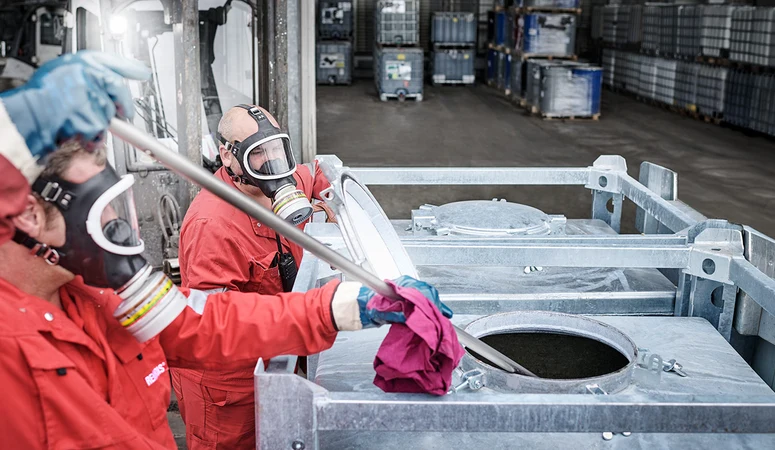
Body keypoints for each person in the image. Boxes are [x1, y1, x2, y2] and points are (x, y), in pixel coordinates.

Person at [0, 52, 453, 448]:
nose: (118, 229)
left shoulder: (103, 296)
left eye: (120, 205)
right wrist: (11, 133)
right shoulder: (11, 352)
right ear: (29, 216)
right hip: (225, 396)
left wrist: (341, 308)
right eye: (99, 209)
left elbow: (204, 324)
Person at [170, 105, 333, 449]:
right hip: (226, 388)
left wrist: (325, 206)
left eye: (277, 149)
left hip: (273, 363)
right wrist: (309, 318)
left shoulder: (287, 182)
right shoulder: (213, 225)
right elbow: (212, 324)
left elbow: (316, 173)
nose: (272, 162)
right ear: (228, 156)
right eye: (258, 153)